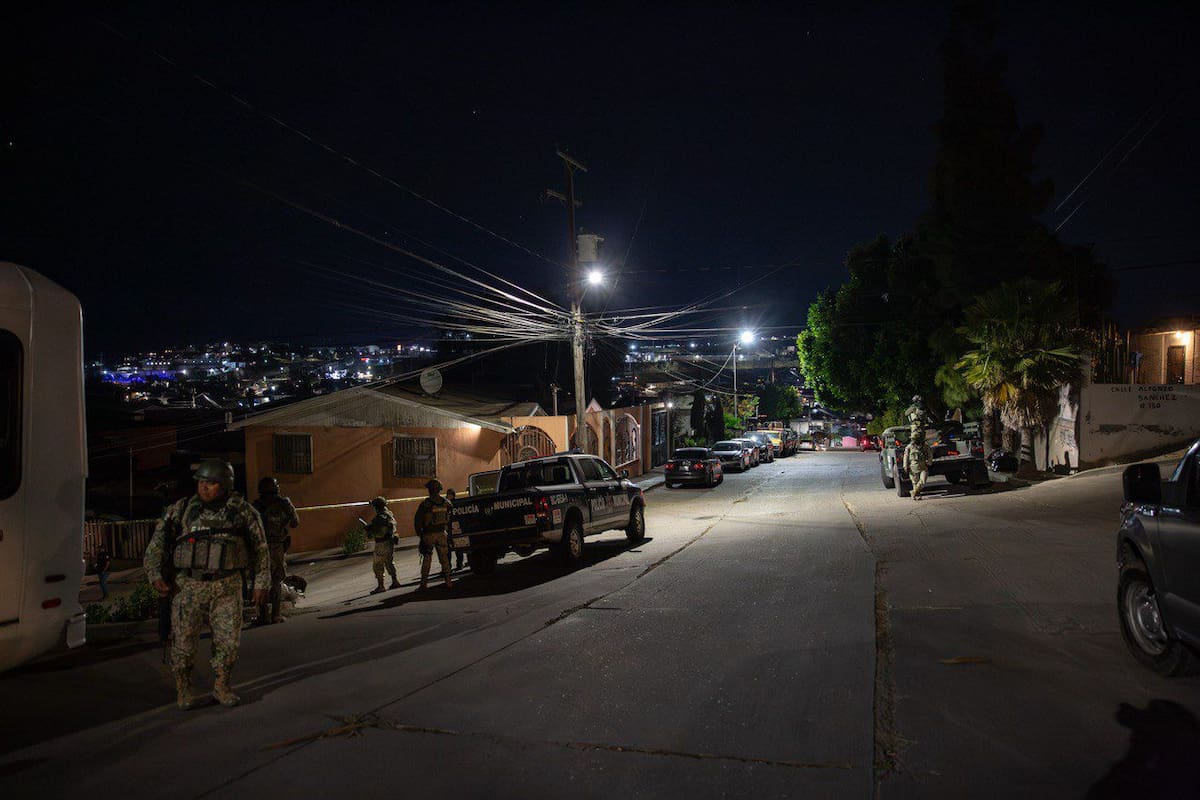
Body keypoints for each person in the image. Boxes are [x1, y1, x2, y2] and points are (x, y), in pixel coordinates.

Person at [143, 459, 269, 710]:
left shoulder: (242, 512)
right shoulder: (180, 510)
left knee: (228, 643)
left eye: (211, 483)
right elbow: (156, 546)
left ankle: (222, 687)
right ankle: (184, 689)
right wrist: (155, 574)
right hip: (188, 586)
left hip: (227, 586)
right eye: (201, 482)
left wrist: (261, 583)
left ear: (225, 485)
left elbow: (260, 549)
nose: (205, 488)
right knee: (183, 644)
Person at [253, 476, 300, 625]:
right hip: (277, 547)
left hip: (259, 547)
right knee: (276, 580)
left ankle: (262, 616)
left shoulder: (256, 506)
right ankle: (275, 614)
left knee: (261, 580)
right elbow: (295, 522)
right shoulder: (283, 503)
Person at [413, 478, 453, 591]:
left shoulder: (425, 504)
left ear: (430, 490)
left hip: (429, 534)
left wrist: (420, 535)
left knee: (426, 559)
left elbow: (417, 521)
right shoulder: (446, 503)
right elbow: (450, 518)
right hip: (442, 534)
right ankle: (448, 581)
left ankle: (423, 584)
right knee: (444, 559)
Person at [364, 497, 400, 594]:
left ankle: (381, 586)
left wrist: (368, 529)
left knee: (378, 564)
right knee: (389, 561)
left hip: (381, 543)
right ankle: (395, 581)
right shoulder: (389, 514)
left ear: (377, 507)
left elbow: (375, 534)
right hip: (390, 541)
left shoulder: (378, 518)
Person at [903, 435, 932, 501]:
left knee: (923, 481)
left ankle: (913, 492)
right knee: (915, 482)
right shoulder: (909, 447)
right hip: (913, 467)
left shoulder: (925, 446)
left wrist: (929, 462)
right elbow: (906, 456)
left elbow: (930, 454)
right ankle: (917, 495)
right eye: (914, 439)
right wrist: (905, 466)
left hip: (923, 466)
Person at [445, 488, 464, 571]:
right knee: (448, 549)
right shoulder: (446, 504)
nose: (448, 496)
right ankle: (448, 566)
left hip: (456, 527)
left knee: (458, 547)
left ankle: (459, 564)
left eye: (449, 494)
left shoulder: (455, 504)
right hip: (449, 528)